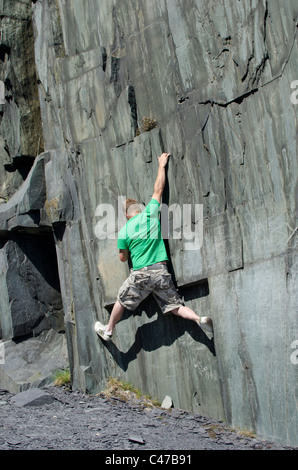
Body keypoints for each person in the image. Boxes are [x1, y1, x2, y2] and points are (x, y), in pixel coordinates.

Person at [94, 152, 213, 341]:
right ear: (140, 210)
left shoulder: (124, 232)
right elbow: (158, 189)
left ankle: (108, 330)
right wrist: (161, 165)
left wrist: (128, 250)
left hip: (141, 273)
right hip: (161, 271)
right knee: (175, 306)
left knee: (122, 300)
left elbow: (122, 258)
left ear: (126, 215)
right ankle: (199, 319)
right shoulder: (149, 214)